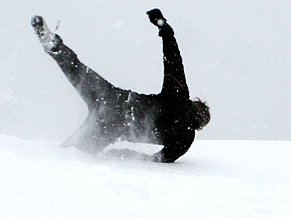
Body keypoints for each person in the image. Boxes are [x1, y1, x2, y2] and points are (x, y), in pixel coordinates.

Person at [32, 9, 210, 162]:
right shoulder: (185, 137)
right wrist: (125, 153)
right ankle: (40, 164)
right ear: (199, 125)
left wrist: (165, 29)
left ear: (194, 103)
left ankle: (54, 45)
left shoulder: (179, 96)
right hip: (113, 124)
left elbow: (174, 61)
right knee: (70, 156)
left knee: (78, 71)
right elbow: (162, 158)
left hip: (114, 99)